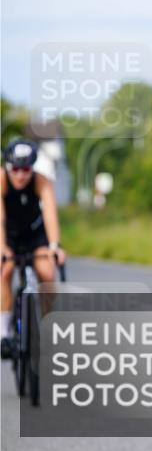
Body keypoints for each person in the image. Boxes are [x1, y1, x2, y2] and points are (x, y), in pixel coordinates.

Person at [1, 138, 66, 359]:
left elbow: (50, 215)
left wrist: (55, 246)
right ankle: (4, 333)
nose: (21, 175)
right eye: (16, 169)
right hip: (7, 234)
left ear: (33, 167)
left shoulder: (41, 181)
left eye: (26, 169)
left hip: (34, 234)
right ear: (8, 167)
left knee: (47, 272)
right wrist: (2, 248)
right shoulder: (1, 180)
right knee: (6, 270)